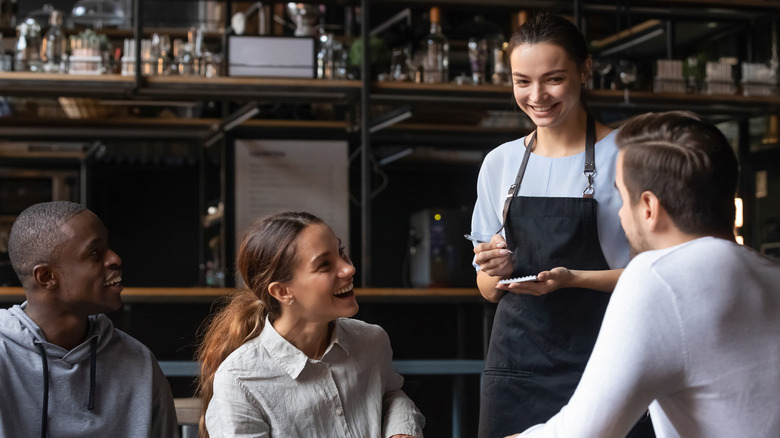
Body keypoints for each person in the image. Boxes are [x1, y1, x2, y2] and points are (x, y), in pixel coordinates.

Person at [508, 111, 780, 437]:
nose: (622, 214)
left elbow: (582, 433)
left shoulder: (657, 277)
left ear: (648, 208)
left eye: (622, 198)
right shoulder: (771, 273)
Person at [470, 12, 654, 437]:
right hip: (516, 369)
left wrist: (573, 279)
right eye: (522, 81)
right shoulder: (500, 163)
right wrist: (493, 270)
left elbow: (655, 276)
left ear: (585, 70)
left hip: (606, 361)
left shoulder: (628, 154)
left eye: (553, 79)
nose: (537, 96)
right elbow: (486, 290)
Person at [197, 211, 425, 438]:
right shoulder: (238, 380)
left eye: (341, 252)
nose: (349, 269)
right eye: (324, 265)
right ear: (282, 291)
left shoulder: (372, 341)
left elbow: (390, 394)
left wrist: (401, 430)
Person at [0, 201, 179, 438]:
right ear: (46, 277)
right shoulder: (4, 357)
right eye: (94, 252)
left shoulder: (139, 362)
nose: (115, 258)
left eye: (109, 246)